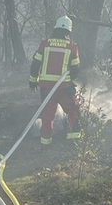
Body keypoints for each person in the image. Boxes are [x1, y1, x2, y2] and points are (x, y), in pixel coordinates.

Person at [29, 16, 82, 146]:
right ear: (68, 32)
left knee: (47, 116)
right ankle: (72, 139)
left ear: (55, 29)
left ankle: (45, 142)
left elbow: (35, 63)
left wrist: (33, 80)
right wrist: (71, 81)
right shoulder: (72, 46)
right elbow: (76, 68)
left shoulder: (45, 44)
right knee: (73, 109)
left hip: (46, 88)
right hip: (64, 88)